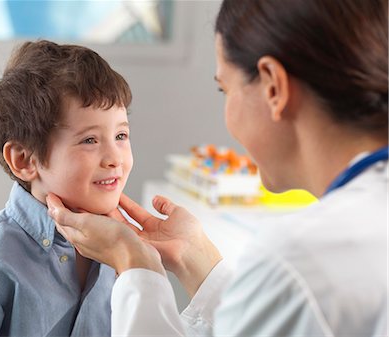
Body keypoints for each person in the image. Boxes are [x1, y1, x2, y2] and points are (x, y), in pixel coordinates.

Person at [46, 0, 388, 336]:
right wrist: (196, 258)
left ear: (273, 86)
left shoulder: (298, 263)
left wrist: (134, 262)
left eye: (225, 89)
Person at [0, 40, 134, 336]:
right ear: (24, 160)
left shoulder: (123, 248)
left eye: (121, 135)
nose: (115, 158)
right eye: (90, 140)